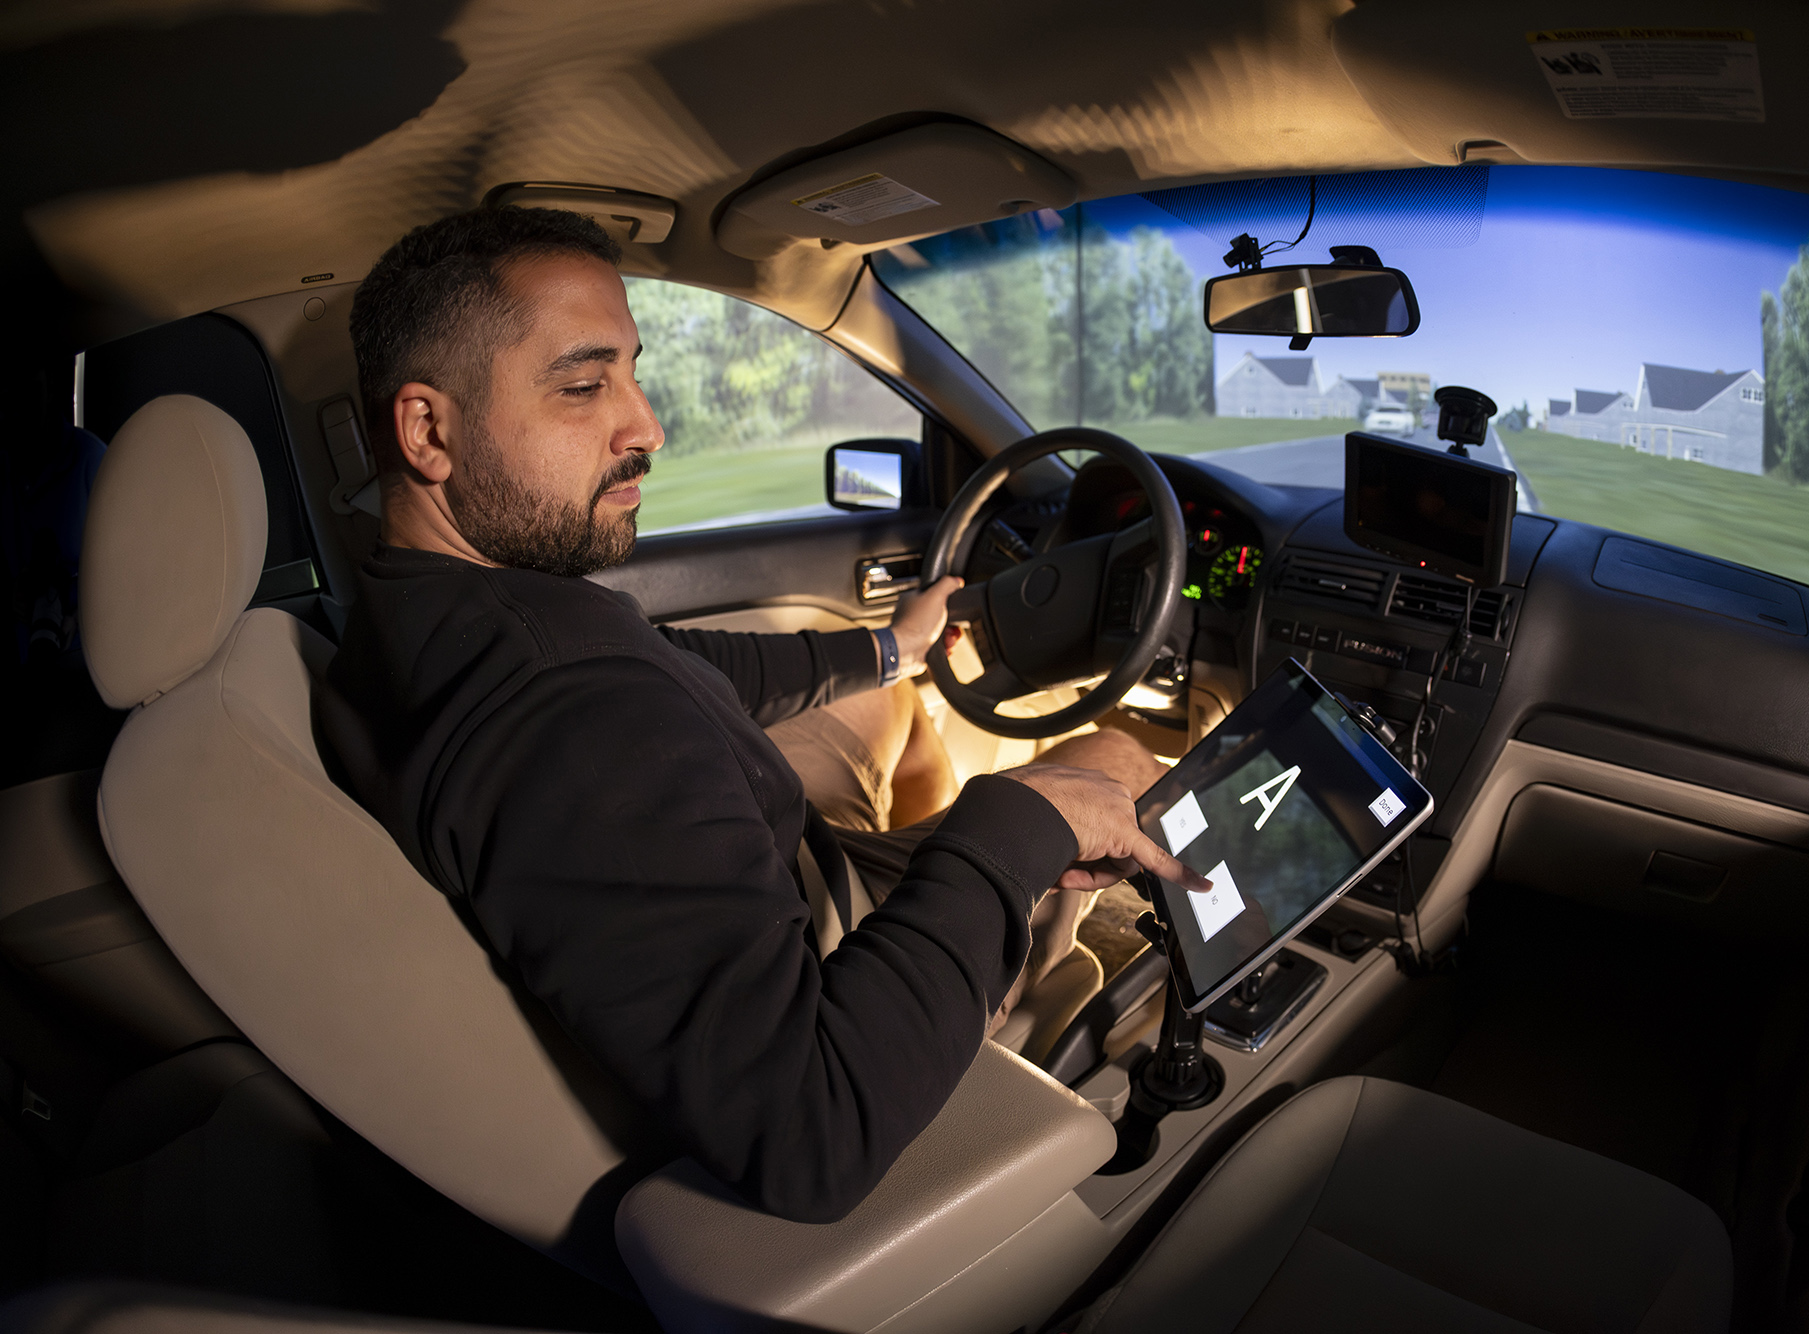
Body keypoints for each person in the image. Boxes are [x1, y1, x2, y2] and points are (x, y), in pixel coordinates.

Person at [313, 205, 1205, 1224]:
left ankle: (984, 887)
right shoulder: (571, 725)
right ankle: (1064, 988)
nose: (646, 424)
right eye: (581, 385)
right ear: (428, 430)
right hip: (832, 980)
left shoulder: (439, 606)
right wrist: (1010, 826)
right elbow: (808, 1132)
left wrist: (887, 650)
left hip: (784, 873)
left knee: (898, 715)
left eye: (633, 373)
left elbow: (669, 659)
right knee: (1113, 755)